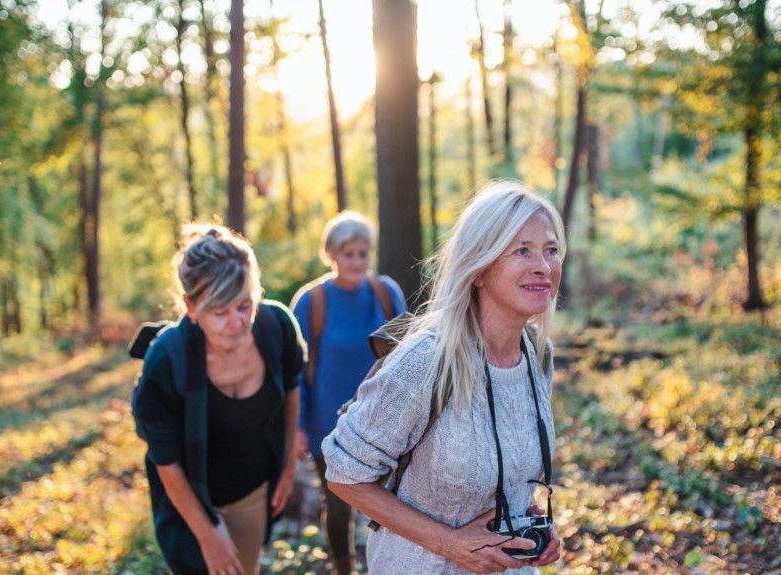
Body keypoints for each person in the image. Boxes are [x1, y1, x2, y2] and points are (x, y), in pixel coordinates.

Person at [322, 181, 565, 574]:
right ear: (480, 268)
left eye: (550, 250)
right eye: (522, 250)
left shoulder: (537, 353)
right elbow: (344, 473)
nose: (543, 266)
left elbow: (506, 468)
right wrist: (451, 543)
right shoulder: (427, 360)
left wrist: (530, 519)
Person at [132, 224, 306, 575]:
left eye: (245, 305)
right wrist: (208, 536)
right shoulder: (167, 359)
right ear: (192, 308)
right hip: (188, 499)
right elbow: (165, 460)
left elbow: (291, 391)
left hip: (252, 491)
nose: (237, 323)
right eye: (220, 313)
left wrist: (288, 466)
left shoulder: (277, 328)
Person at [290, 211, 406, 575]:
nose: (355, 262)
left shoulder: (386, 293)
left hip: (383, 421)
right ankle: (344, 568)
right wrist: (298, 427)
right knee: (339, 505)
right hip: (330, 425)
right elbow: (296, 372)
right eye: (347, 254)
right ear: (332, 255)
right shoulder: (312, 302)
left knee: (390, 505)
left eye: (361, 253)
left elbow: (407, 357)